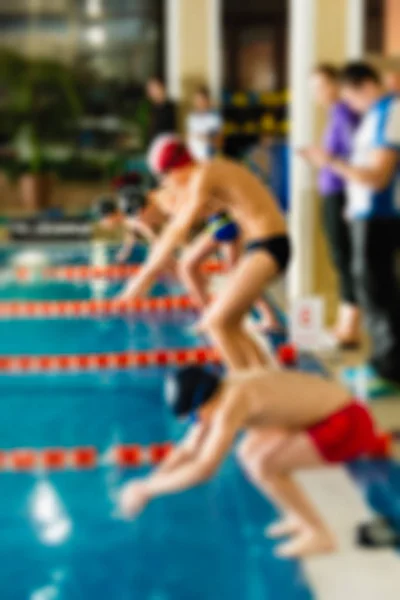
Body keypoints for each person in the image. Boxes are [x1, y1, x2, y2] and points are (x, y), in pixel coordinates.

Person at [119, 366, 382, 558]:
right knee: (248, 450)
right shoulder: (222, 389)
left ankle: (320, 534)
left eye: (193, 418)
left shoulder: (230, 404)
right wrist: (148, 482)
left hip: (347, 425)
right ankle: (297, 515)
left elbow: (204, 469)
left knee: (264, 465)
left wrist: (147, 490)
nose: (195, 424)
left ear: (202, 405)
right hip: (329, 414)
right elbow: (188, 448)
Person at [118, 134, 290, 370]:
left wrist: (142, 278)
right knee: (229, 325)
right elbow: (176, 229)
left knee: (216, 324)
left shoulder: (206, 175)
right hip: (261, 246)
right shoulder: (209, 174)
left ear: (175, 168)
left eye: (166, 177)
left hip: (269, 245)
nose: (167, 184)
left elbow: (177, 229)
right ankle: (261, 378)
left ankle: (249, 389)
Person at [301, 62, 400, 391]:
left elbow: (378, 176)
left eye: (349, 97)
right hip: (366, 213)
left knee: (377, 292)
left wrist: (328, 161)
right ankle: (382, 365)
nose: (349, 106)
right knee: (373, 290)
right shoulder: (375, 114)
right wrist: (353, 204)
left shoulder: (390, 111)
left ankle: (388, 371)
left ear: (365, 86)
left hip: (381, 214)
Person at [303, 64, 360, 348]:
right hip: (333, 191)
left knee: (345, 257)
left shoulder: (342, 112)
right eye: (314, 88)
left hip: (342, 194)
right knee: (341, 257)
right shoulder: (335, 114)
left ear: (336, 85)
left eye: (322, 86)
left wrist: (323, 158)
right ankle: (344, 322)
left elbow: (353, 155)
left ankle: (350, 326)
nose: (318, 93)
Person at [95, 185, 167, 263]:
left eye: (102, 220)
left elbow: (155, 241)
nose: (102, 224)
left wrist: (150, 264)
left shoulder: (131, 214)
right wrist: (125, 252)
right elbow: (132, 234)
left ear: (109, 216)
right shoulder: (127, 215)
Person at [186, 86, 224, 161]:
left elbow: (220, 143)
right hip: (193, 160)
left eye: (202, 100)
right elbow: (188, 138)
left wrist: (207, 138)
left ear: (208, 100)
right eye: (197, 100)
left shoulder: (214, 117)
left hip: (209, 160)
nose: (199, 103)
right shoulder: (191, 117)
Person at [146, 77, 177, 143]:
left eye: (153, 89)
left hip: (166, 145)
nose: (150, 92)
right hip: (155, 145)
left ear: (161, 88)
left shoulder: (170, 107)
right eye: (150, 89)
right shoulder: (152, 108)